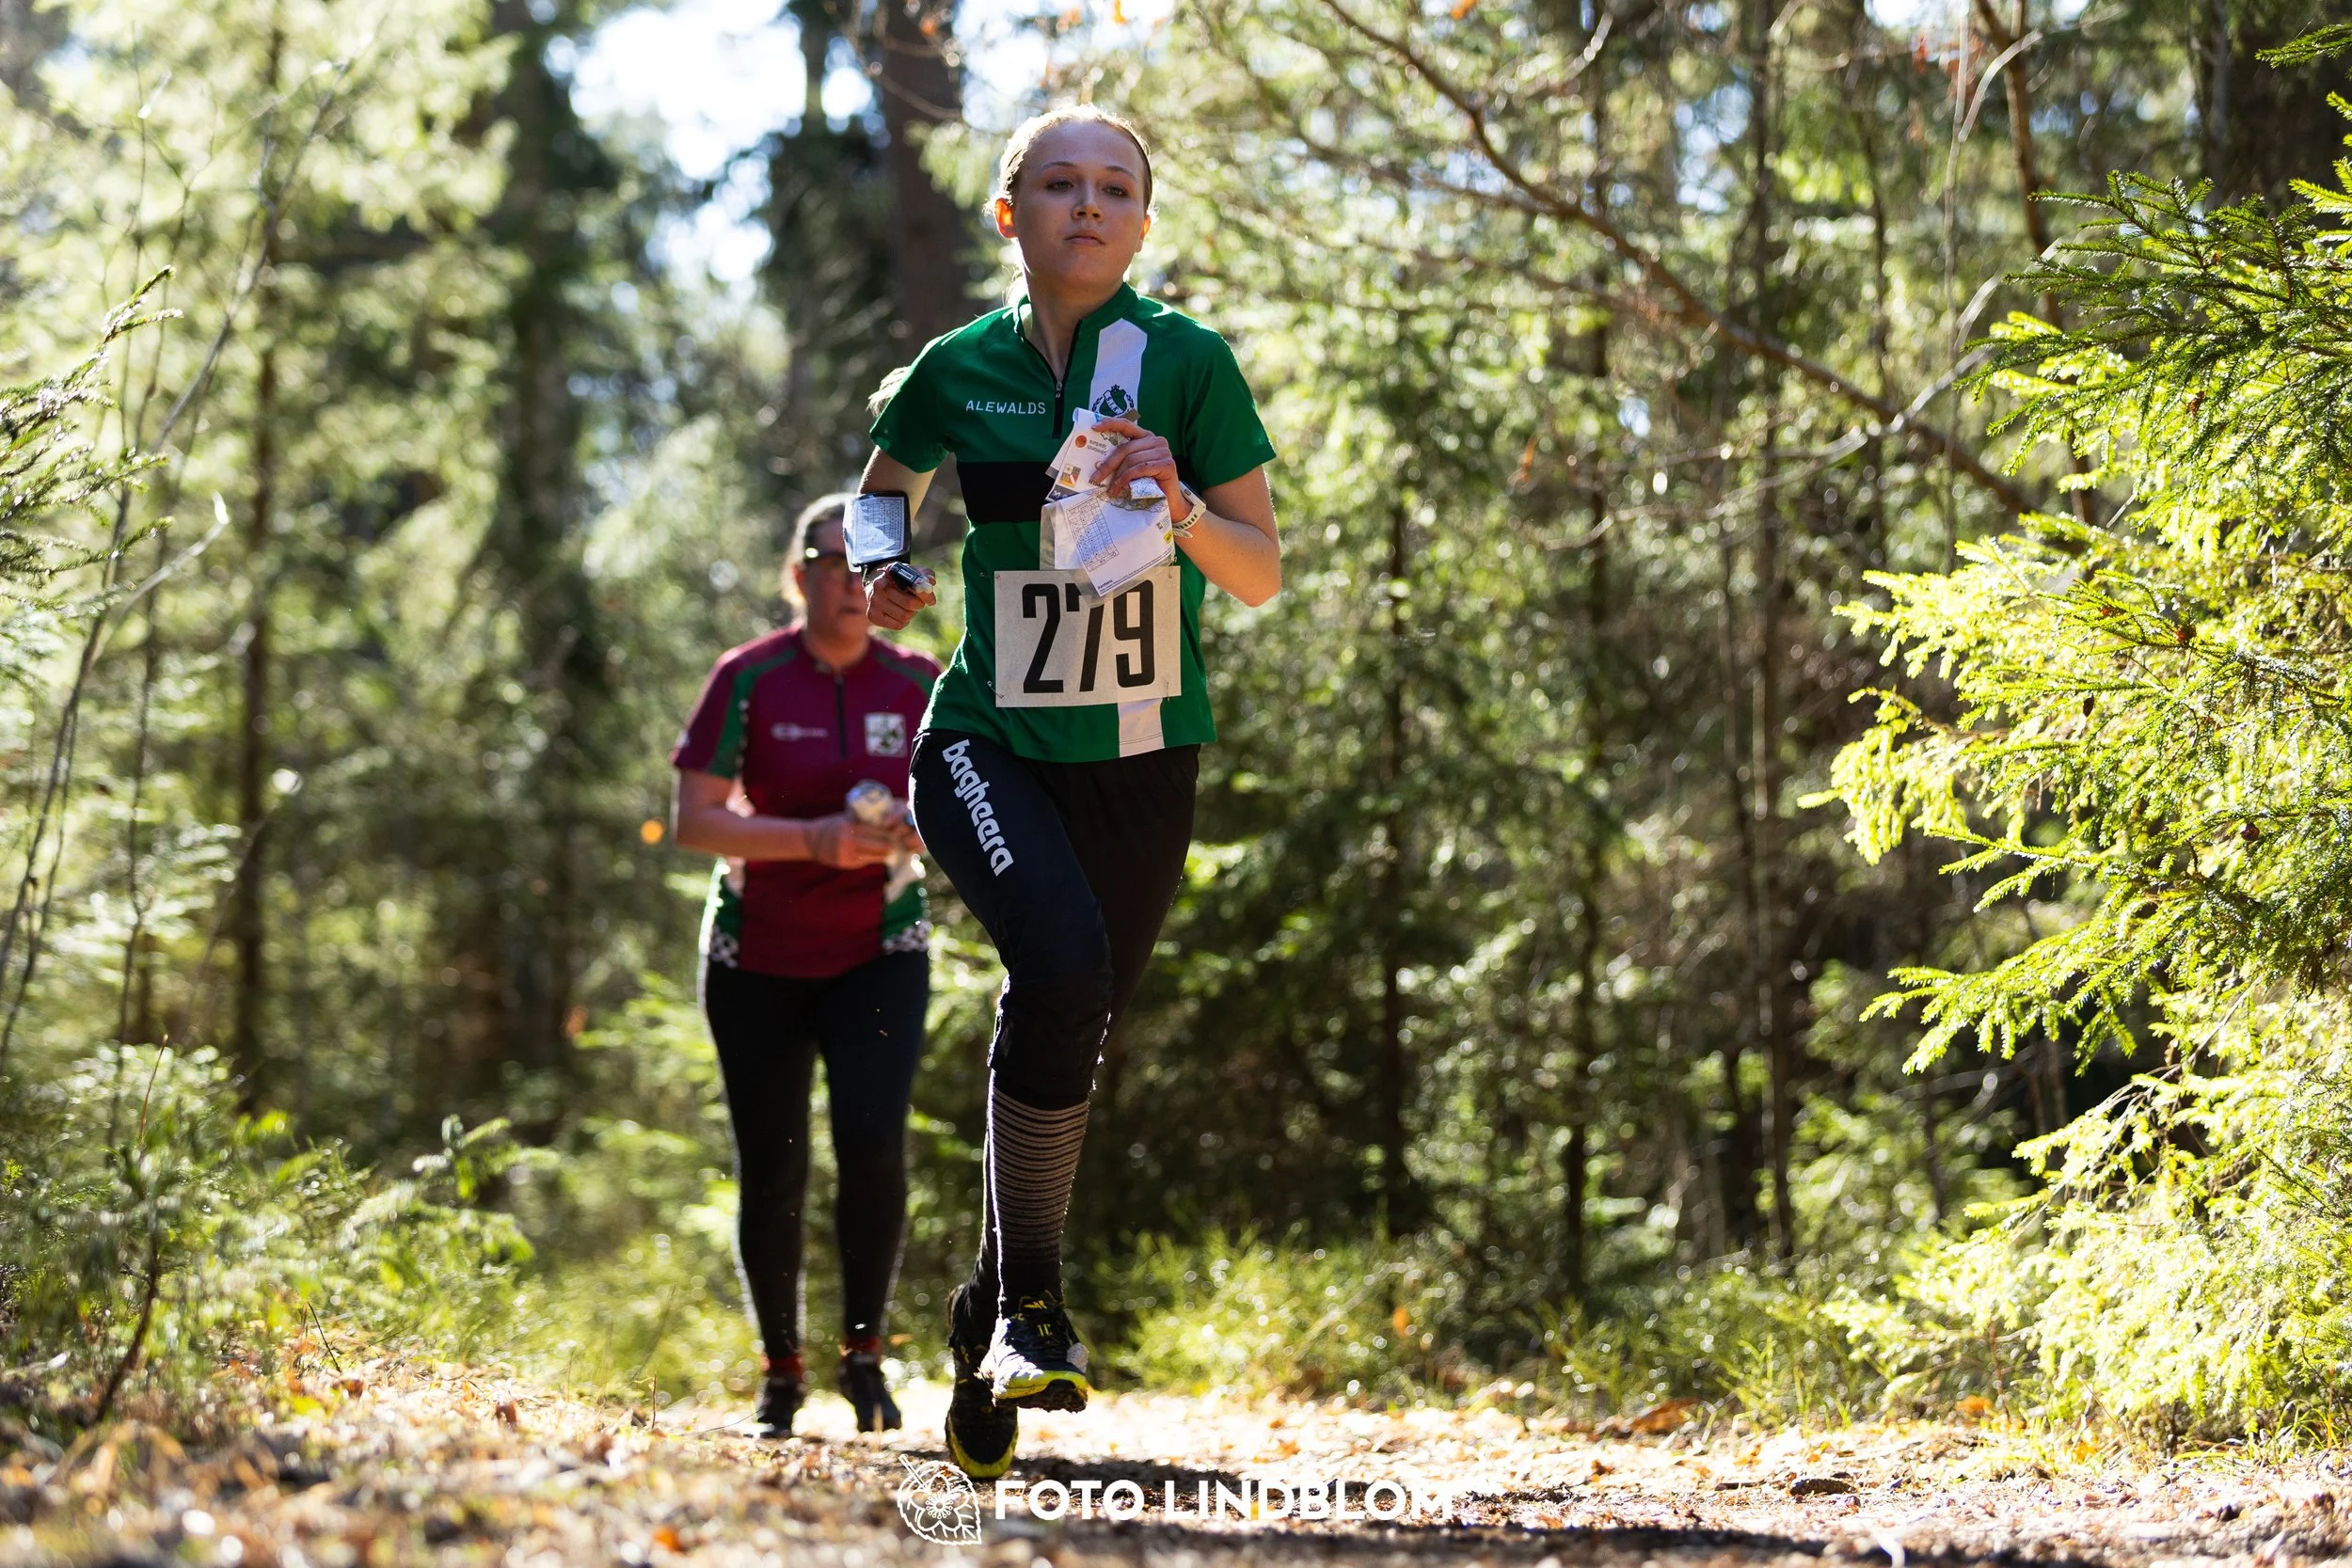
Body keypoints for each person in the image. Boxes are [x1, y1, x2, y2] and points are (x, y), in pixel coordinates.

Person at [858, 105, 1281, 1478]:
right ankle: (1038, 1302)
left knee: (1073, 1006)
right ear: (1010, 215)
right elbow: (881, 496)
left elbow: (1261, 569)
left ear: (1144, 223)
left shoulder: (1187, 364)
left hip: (1147, 757)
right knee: (1060, 959)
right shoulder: (956, 368)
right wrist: (886, 568)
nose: (1087, 207)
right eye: (1058, 184)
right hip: (986, 738)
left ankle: (990, 1315)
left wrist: (1183, 513)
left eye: (1115, 188)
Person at [669, 494, 942, 1438]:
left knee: (871, 1143)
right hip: (757, 953)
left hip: (882, 945)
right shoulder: (746, 677)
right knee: (773, 1161)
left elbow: (965, 808)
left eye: (874, 565)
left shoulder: (918, 683)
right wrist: (810, 841)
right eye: (834, 562)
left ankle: (864, 1358)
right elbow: (693, 819)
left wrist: (916, 831)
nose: (854, 584)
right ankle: (780, 1373)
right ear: (798, 575)